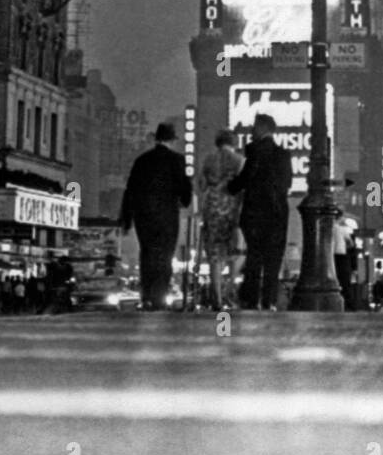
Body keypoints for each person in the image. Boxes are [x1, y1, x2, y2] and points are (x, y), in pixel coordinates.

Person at [119, 121, 193, 311]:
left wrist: (126, 218)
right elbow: (185, 190)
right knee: (164, 256)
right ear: (172, 140)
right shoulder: (178, 160)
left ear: (156, 138)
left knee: (147, 254)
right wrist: (184, 201)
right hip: (167, 215)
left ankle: (147, 296)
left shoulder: (142, 160)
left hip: (143, 216)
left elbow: (130, 190)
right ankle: (159, 297)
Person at [227, 114, 292, 311]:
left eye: (254, 127)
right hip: (277, 213)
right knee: (273, 259)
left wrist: (228, 184)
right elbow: (287, 183)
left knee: (254, 256)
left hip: (254, 213)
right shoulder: (283, 154)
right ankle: (269, 300)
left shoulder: (254, 153)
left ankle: (251, 299)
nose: (251, 131)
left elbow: (240, 183)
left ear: (263, 128)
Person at [197, 128, 245, 310]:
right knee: (236, 253)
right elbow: (243, 187)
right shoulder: (239, 161)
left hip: (212, 210)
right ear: (234, 142)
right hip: (233, 211)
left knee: (214, 257)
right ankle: (229, 290)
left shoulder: (208, 160)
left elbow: (201, 185)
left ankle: (216, 297)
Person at [333, 210, 354, 311]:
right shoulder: (343, 229)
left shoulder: (327, 228)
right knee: (345, 282)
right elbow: (350, 243)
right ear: (340, 217)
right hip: (341, 256)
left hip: (330, 257)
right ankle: (348, 305)